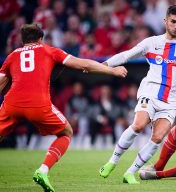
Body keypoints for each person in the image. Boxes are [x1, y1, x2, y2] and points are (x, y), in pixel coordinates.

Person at [0, 23, 127, 192]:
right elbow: (84, 64)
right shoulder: (48, 50)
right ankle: (43, 170)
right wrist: (112, 70)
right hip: (38, 104)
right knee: (66, 132)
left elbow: (1, 82)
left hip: (12, 103)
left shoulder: (12, 56)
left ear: (23, 40)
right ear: (40, 39)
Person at [99, 5, 176, 184]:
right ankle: (112, 162)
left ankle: (130, 172)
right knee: (138, 126)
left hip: (172, 101)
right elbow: (126, 55)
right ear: (165, 21)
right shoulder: (151, 42)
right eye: (173, 21)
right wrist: (103, 66)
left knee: (157, 137)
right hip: (151, 93)